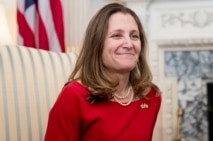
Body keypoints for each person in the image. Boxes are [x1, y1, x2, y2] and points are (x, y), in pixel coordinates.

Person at [44, 2, 161, 141]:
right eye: (117, 35)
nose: (129, 44)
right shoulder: (73, 96)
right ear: (97, 45)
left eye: (134, 36)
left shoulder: (151, 95)